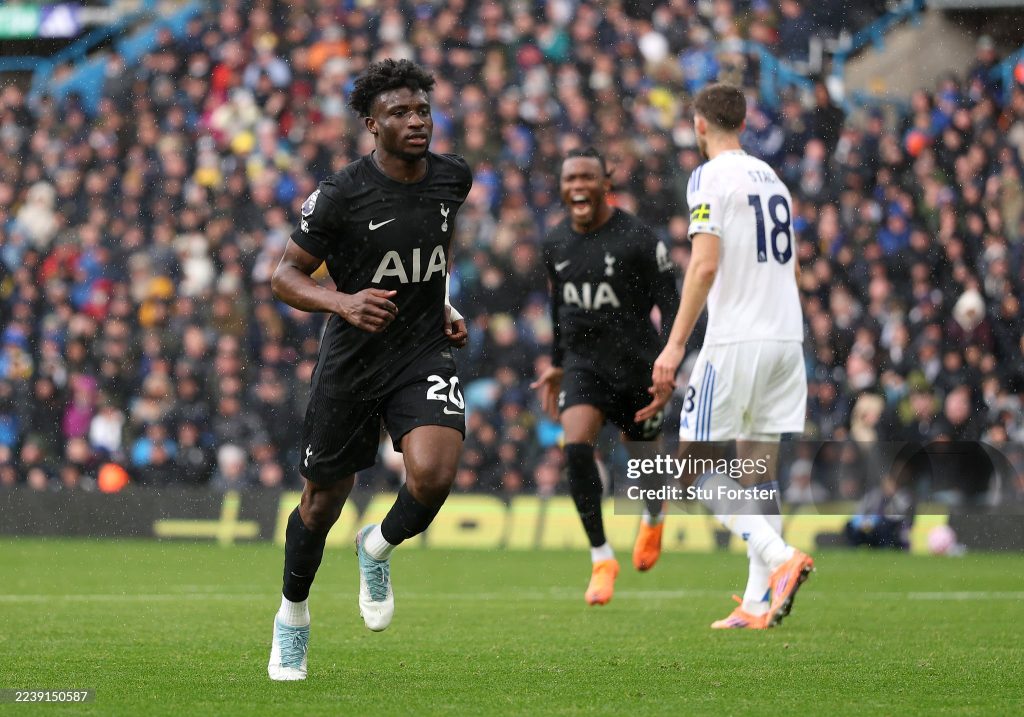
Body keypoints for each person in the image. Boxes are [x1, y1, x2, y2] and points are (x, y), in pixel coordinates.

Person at [266, 59, 472, 680]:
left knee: (433, 476)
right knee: (321, 504)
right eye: (399, 113)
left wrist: (442, 303)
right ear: (371, 124)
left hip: (421, 351)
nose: (416, 121)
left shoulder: (452, 177)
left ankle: (376, 546)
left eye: (422, 110)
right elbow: (284, 276)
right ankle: (292, 616)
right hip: (353, 361)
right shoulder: (341, 194)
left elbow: (430, 251)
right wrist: (343, 302)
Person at [643, 83, 813, 630]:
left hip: (737, 339)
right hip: (785, 337)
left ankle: (781, 557)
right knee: (757, 468)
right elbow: (789, 265)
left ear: (699, 125)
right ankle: (758, 602)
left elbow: (705, 264)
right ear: (742, 122)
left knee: (690, 472)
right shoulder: (773, 179)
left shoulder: (709, 176)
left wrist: (674, 345)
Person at [532, 147, 680, 606]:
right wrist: (557, 362)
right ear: (562, 188)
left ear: (604, 184)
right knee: (575, 447)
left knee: (646, 466)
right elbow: (559, 308)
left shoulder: (638, 239)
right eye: (570, 178)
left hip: (637, 367)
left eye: (587, 178)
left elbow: (671, 304)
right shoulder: (555, 242)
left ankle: (653, 515)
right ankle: (601, 557)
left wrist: (669, 362)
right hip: (584, 366)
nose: (578, 186)